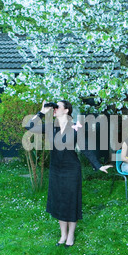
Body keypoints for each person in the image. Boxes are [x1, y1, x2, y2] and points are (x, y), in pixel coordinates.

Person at [25, 100, 112, 247]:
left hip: (71, 170)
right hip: (55, 170)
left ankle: (70, 235)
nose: (54, 109)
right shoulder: (51, 127)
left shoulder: (75, 128)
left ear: (66, 110)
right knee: (59, 201)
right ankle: (63, 234)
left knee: (71, 202)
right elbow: (29, 126)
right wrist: (42, 112)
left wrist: (98, 166)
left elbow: (85, 149)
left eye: (57, 107)